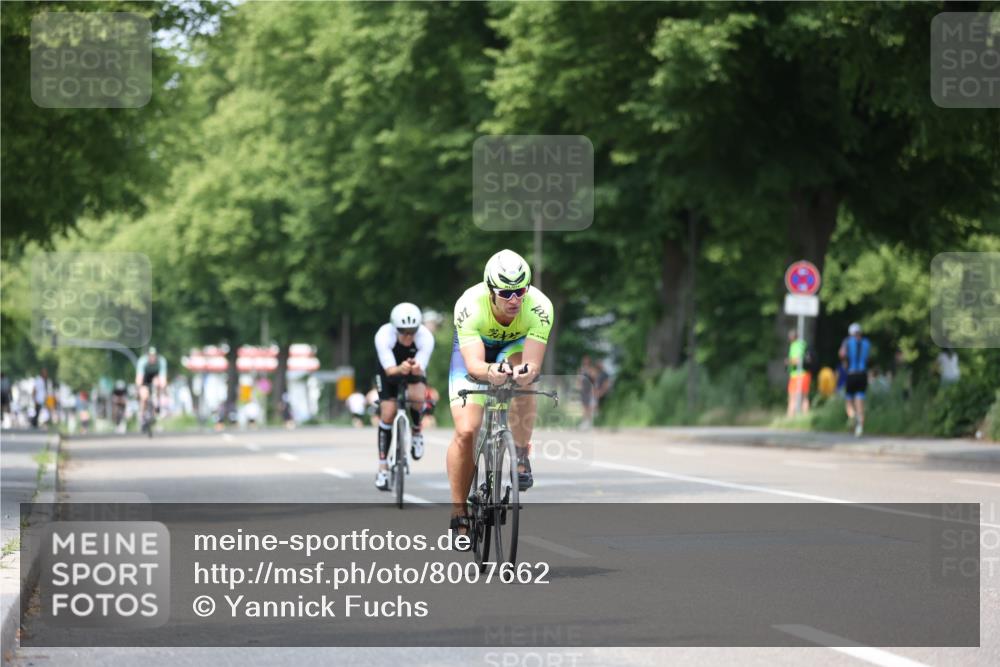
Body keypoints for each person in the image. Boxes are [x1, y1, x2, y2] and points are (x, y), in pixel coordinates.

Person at [447, 249, 554, 542]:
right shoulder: (469, 305)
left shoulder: (540, 307)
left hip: (514, 348)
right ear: (490, 290)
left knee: (525, 380)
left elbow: (532, 363)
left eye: (520, 291)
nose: (514, 300)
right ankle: (459, 510)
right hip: (476, 350)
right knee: (466, 430)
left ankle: (520, 455)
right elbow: (474, 365)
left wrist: (525, 372)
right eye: (506, 293)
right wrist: (490, 372)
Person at [373, 302, 435, 491]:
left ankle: (416, 431)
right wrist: (400, 368)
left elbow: (421, 367)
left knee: (417, 396)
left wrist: (414, 368)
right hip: (389, 370)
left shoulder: (425, 337)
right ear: (395, 328)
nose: (408, 336)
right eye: (403, 332)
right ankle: (383, 468)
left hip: (413, 368)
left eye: (412, 331)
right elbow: (390, 370)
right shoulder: (383, 335)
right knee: (388, 412)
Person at [839, 323, 871, 437]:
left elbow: (842, 354)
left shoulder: (848, 341)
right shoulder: (867, 343)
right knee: (860, 401)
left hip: (852, 374)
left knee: (848, 400)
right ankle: (860, 426)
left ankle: (852, 417)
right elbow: (867, 358)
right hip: (863, 375)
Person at [135, 347, 167, 425]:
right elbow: (139, 377)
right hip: (145, 378)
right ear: (148, 356)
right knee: (144, 396)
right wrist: (139, 388)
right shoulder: (142, 361)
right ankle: (142, 415)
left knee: (158, 383)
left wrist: (162, 387)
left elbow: (163, 378)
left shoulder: (161, 361)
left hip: (155, 377)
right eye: (150, 356)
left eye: (154, 356)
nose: (152, 357)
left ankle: (158, 404)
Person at [785, 329, 811, 417]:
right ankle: (805, 418)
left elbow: (797, 360)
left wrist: (788, 361)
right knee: (804, 397)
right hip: (805, 374)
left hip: (797, 375)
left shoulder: (795, 345)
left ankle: (790, 418)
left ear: (792, 337)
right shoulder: (803, 344)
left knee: (792, 398)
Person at [579, 356, 597, 429]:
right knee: (584, 407)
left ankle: (589, 423)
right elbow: (579, 380)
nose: (586, 363)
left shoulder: (592, 369)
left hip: (589, 390)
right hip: (583, 390)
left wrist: (589, 372)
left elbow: (594, 379)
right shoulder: (581, 369)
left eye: (587, 361)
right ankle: (584, 423)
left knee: (589, 407)